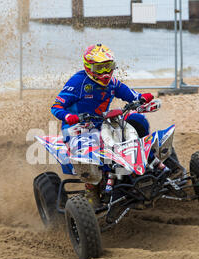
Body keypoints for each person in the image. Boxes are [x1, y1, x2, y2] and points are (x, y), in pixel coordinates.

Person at [50, 44, 154, 208]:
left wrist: (141, 98)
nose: (105, 73)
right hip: (77, 128)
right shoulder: (78, 83)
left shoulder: (112, 83)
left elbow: (132, 96)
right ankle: (91, 190)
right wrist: (69, 116)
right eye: (100, 68)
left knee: (136, 122)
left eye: (108, 67)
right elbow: (56, 107)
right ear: (89, 67)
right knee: (91, 153)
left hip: (102, 124)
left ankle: (146, 167)